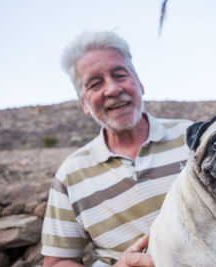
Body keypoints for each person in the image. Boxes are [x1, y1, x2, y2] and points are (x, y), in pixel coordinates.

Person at [41, 31, 192, 267]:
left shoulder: (194, 139)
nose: (112, 89)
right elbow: (57, 260)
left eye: (119, 75)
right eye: (95, 83)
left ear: (140, 84)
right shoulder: (72, 173)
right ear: (84, 104)